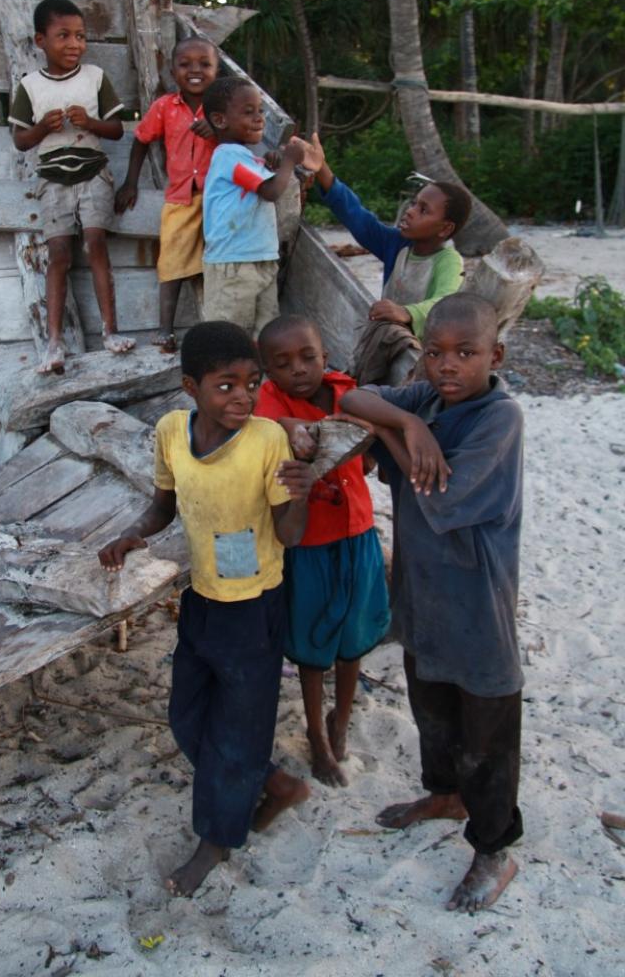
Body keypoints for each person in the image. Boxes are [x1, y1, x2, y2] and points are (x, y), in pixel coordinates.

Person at [99, 320, 314, 897]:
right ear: (190, 387)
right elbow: (163, 507)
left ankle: (214, 843)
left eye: (251, 383)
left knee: (238, 734)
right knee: (187, 718)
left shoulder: (268, 440)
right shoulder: (171, 431)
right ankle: (277, 785)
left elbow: (289, 536)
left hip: (254, 610)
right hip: (202, 601)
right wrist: (132, 535)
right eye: (226, 386)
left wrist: (303, 492)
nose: (242, 396)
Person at [338, 292, 524, 913]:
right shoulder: (426, 401)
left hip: (478, 608)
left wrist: (390, 431)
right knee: (433, 710)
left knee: (487, 735)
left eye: (465, 354)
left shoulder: (499, 419)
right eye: (436, 354)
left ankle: (494, 850)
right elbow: (350, 398)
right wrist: (408, 423)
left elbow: (438, 498)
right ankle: (444, 794)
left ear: (493, 355)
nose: (448, 367)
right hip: (422, 598)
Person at [255, 315, 390, 788]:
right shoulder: (269, 404)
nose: (298, 370)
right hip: (310, 544)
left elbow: (370, 455)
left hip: (357, 533)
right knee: (313, 648)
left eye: (307, 357)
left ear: (325, 357)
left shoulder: (345, 391)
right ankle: (315, 734)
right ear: (268, 372)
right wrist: (294, 424)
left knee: (352, 642)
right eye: (283, 363)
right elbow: (264, 424)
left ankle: (341, 721)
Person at [9, 0, 134, 373]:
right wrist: (43, 127)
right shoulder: (30, 86)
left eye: (80, 36)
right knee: (59, 255)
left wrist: (90, 124)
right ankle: (54, 343)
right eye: (63, 36)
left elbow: (116, 130)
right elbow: (20, 141)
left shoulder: (94, 78)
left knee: (96, 245)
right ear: (40, 41)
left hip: (94, 172)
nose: (75, 44)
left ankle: (111, 331)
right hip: (53, 181)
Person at [312, 154, 471, 383]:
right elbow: (359, 219)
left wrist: (407, 312)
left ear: (445, 229)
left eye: (423, 210)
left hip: (422, 359)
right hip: (385, 347)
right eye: (414, 203)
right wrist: (322, 169)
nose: (410, 211)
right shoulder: (399, 244)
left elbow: (445, 303)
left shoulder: (447, 260)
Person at [115, 37, 219, 352]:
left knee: (217, 265)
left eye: (204, 64)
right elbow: (141, 140)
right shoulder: (164, 107)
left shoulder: (223, 106)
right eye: (185, 64)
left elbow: (243, 138)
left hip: (220, 199)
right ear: (173, 71)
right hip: (180, 199)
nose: (195, 70)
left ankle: (219, 328)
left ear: (217, 69)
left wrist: (218, 130)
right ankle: (166, 329)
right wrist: (131, 182)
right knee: (171, 260)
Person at [201, 76, 324, 336]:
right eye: (248, 112)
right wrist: (290, 161)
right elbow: (271, 191)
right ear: (220, 120)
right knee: (228, 337)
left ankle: (256, 378)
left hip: (260, 259)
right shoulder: (228, 155)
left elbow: (265, 180)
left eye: (260, 111)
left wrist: (276, 161)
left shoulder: (246, 157)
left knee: (265, 334)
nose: (259, 118)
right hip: (234, 265)